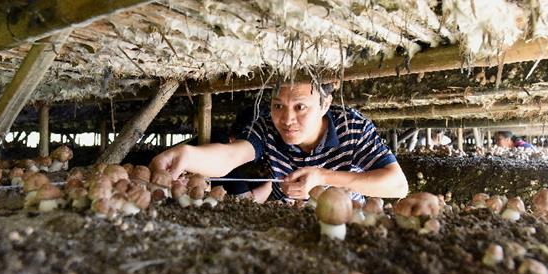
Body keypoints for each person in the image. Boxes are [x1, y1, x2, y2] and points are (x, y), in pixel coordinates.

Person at [150, 81, 409, 202]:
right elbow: (231, 156)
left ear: (324, 104)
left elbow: (397, 186)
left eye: (300, 107)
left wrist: (322, 177)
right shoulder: (265, 126)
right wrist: (186, 154)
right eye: (278, 106)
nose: (286, 119)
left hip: (347, 222)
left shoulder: (351, 126)